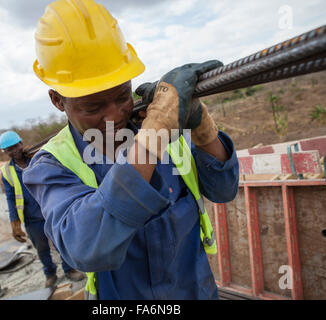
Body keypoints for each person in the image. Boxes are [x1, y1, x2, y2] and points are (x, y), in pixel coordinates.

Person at [23, 0, 239, 299]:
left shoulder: (160, 128)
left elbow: (224, 189)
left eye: (123, 95)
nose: (114, 115)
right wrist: (154, 136)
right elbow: (85, 248)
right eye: (93, 106)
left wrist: (200, 122)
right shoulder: (52, 166)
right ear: (58, 101)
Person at [0, 130, 85, 287]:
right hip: (32, 218)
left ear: (21, 143)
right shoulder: (7, 172)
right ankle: (50, 273)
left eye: (16, 146)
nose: (14, 150)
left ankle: (69, 269)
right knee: (42, 248)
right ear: (5, 152)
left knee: (60, 242)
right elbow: (11, 198)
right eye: (9, 149)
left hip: (50, 210)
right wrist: (14, 223)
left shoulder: (37, 158)